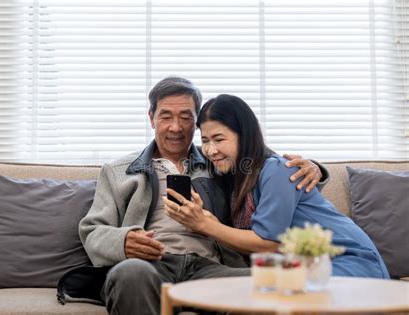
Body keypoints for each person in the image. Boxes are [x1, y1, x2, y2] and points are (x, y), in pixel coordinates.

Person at [79, 77, 325, 315]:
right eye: (166, 116)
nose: (176, 127)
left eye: (186, 117)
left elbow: (267, 163)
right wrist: (123, 241)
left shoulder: (219, 159)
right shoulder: (118, 171)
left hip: (211, 268)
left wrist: (312, 167)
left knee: (275, 283)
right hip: (151, 265)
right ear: (151, 118)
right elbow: (92, 230)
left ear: (197, 122)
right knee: (130, 273)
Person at [164, 94, 389, 279]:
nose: (211, 150)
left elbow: (268, 243)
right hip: (304, 266)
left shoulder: (275, 169)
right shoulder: (232, 175)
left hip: (345, 262)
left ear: (244, 136)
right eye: (205, 141)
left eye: (219, 139)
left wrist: (204, 224)